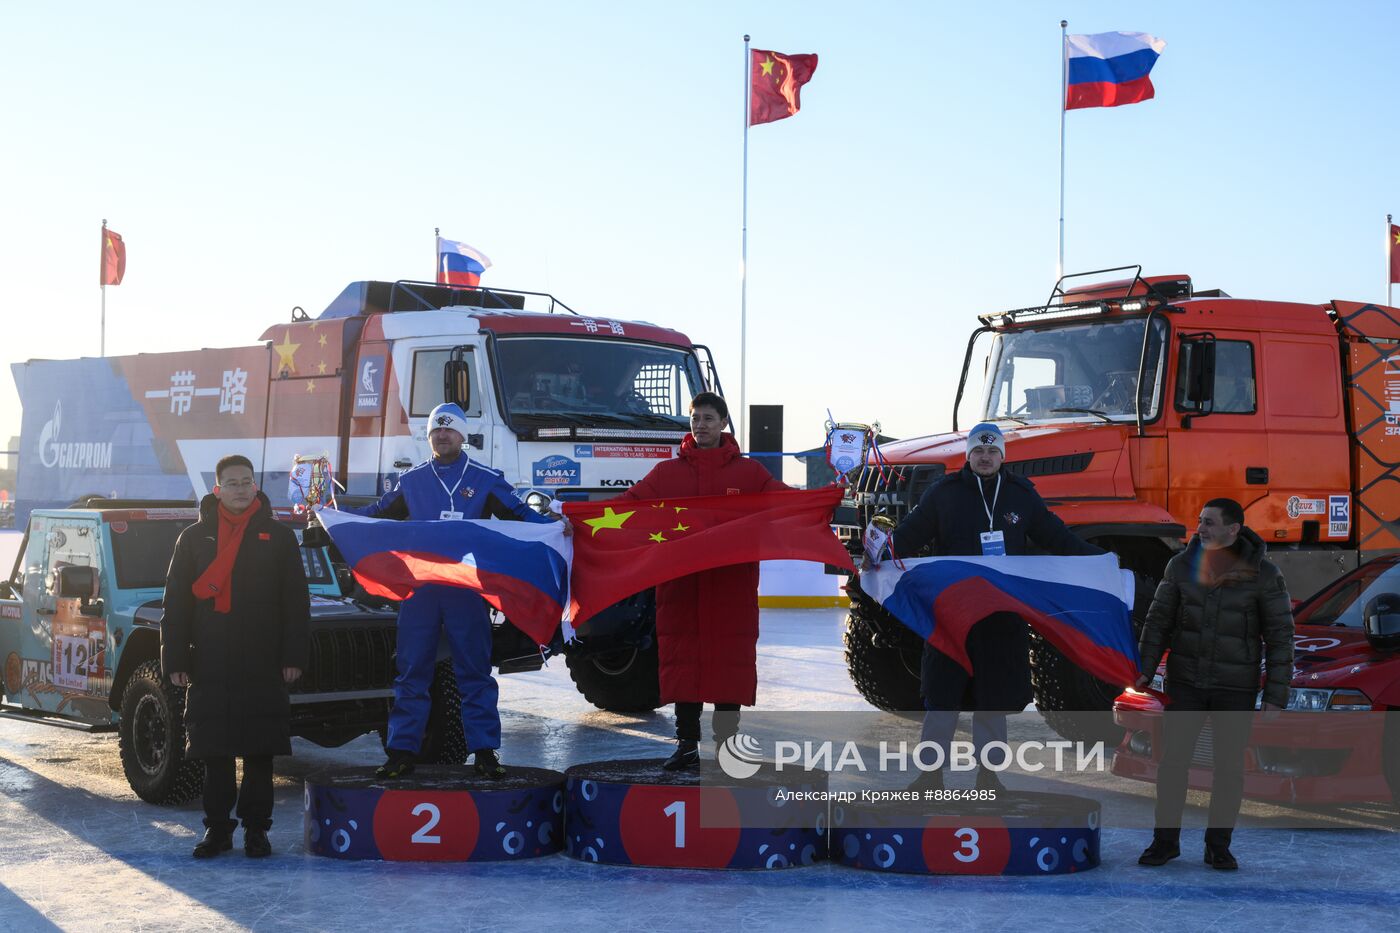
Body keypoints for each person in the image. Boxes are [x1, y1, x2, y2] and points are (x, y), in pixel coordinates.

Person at [355, 402, 569, 780]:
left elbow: (520, 515)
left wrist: (554, 526)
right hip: (422, 591)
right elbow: (378, 514)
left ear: (463, 435)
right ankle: (402, 751)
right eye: (437, 429)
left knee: (475, 672)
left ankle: (485, 752)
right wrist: (334, 517)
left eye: (449, 429)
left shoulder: (486, 478)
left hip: (466, 590)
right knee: (411, 673)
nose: (442, 435)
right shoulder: (413, 480)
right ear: (430, 436)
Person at [884, 422, 1102, 790]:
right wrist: (879, 553)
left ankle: (989, 775)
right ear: (968, 455)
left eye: (992, 452)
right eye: (978, 452)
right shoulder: (943, 494)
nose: (985, 458)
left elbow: (1056, 537)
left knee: (993, 698)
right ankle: (930, 773)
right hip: (952, 614)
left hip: (1000, 617)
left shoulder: (1021, 495)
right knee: (941, 696)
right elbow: (909, 536)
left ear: (1002, 455)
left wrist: (1100, 558)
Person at [615, 391, 787, 770]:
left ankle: (727, 746)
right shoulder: (667, 474)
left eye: (708, 418)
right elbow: (626, 505)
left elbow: (787, 504)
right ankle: (686, 744)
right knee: (684, 665)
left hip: (730, 588)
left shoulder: (750, 474)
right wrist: (577, 516)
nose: (700, 425)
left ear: (724, 423)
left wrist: (827, 500)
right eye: (695, 419)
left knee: (730, 666)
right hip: (681, 588)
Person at [162, 454, 309, 859]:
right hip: (210, 661)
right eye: (233, 483)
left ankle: (257, 831)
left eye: (247, 482)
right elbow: (175, 605)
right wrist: (175, 660)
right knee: (216, 752)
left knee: (261, 752)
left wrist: (293, 655)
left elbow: (296, 603)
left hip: (263, 661)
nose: (241, 489)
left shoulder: (278, 537)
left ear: (255, 485)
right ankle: (218, 831)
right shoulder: (193, 538)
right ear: (217, 489)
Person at [1135, 498, 1293, 870]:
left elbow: (1281, 636)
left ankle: (1218, 846)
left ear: (1233, 529)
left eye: (1209, 523)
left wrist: (1276, 695)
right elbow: (1158, 622)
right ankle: (1164, 842)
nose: (1200, 529)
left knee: (1229, 770)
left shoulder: (1265, 574)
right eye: (1200, 521)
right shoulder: (1179, 566)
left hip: (1235, 687)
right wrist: (1143, 668)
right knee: (1173, 764)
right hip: (1186, 682)